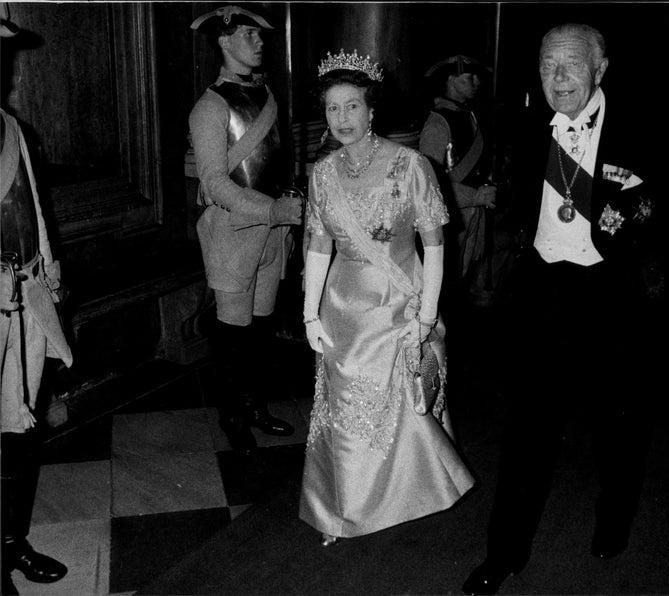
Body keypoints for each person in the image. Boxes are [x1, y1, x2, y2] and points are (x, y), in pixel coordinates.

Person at [462, 23, 665, 595]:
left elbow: (661, 206)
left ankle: (613, 519)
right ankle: (503, 554)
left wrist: (632, 224)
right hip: (545, 293)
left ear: (600, 69)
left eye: (571, 65)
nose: (558, 78)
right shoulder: (528, 130)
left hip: (611, 295)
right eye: (548, 65)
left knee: (616, 427)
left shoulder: (643, 126)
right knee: (528, 433)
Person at [298, 49, 475, 546]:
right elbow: (317, 245)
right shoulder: (323, 172)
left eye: (352, 106)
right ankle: (343, 508)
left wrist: (428, 314)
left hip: (397, 301)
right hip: (342, 306)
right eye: (333, 109)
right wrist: (310, 313)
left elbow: (435, 245)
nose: (342, 119)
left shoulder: (410, 164)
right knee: (342, 408)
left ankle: (404, 495)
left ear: (372, 109)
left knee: (400, 406)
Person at [188, 5, 303, 454]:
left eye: (260, 36)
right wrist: (275, 211)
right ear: (224, 41)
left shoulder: (267, 96)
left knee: (259, 332)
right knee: (233, 335)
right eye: (249, 35)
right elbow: (214, 183)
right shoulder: (209, 106)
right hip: (234, 233)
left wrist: (286, 207)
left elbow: (275, 165)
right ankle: (232, 415)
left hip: (273, 234)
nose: (259, 42)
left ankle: (255, 406)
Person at [1, 5, 73, 594]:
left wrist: (47, 276)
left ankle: (10, 541)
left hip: (24, 301)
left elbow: (35, 213)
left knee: (21, 432)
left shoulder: (11, 128)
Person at [418, 55, 497, 311]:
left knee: (464, 281)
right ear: (451, 81)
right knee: (446, 283)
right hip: (452, 217)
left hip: (474, 212)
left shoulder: (470, 115)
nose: (476, 82)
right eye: (469, 78)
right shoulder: (438, 122)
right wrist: (475, 196)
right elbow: (428, 181)